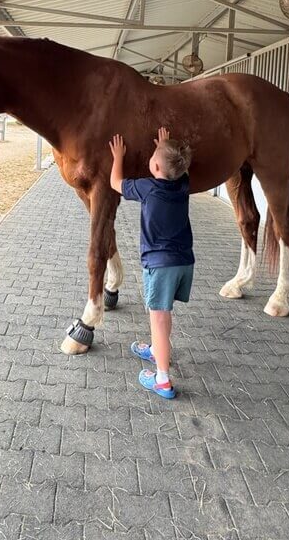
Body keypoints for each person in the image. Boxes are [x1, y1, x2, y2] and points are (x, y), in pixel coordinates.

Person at [109, 127, 194, 399]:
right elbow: (176, 168)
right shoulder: (183, 184)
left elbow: (115, 183)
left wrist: (118, 156)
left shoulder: (147, 187)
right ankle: (157, 350)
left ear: (155, 164)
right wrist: (165, 147)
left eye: (155, 155)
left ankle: (162, 380)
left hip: (160, 265)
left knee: (157, 317)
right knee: (164, 313)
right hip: (184, 262)